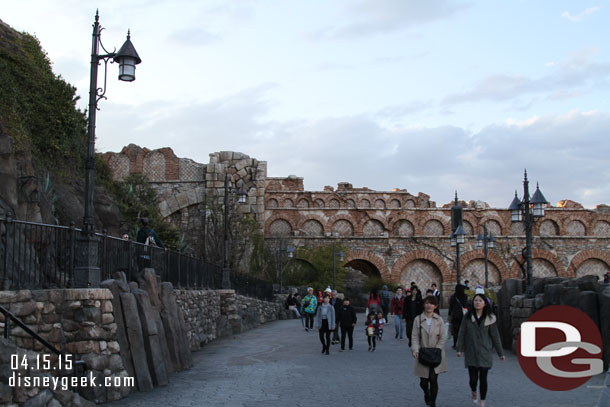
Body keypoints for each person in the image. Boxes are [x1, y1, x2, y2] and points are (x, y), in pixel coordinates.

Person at [456, 293, 505, 407]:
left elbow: (495, 336)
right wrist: (460, 349)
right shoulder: (468, 316)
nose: (477, 302)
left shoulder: (490, 318)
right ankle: (474, 391)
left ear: (484, 303)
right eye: (475, 300)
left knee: (483, 378)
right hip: (471, 351)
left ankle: (482, 400)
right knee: (473, 379)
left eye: (480, 301)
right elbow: (462, 332)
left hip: (485, 351)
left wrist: (500, 353)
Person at [412, 295, 448, 407]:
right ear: (424, 304)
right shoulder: (418, 319)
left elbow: (443, 336)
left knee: (433, 379)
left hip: (436, 352)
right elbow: (414, 336)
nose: (429, 305)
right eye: (427, 303)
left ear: (435, 306)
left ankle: (433, 402)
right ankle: (426, 393)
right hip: (423, 352)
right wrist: (415, 349)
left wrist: (438, 348)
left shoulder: (439, 320)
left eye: (431, 303)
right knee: (423, 382)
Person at [448, 284, 469, 349]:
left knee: (455, 330)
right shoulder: (465, 296)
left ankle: (455, 344)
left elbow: (451, 307)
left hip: (455, 315)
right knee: (463, 330)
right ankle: (463, 344)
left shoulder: (453, 297)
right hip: (463, 315)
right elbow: (466, 305)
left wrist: (449, 315)